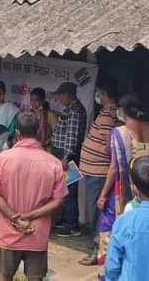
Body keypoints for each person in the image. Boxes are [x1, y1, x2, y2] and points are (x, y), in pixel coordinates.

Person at [0, 112, 68, 281]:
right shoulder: (54, 163)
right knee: (35, 277)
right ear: (38, 133)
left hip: (9, 230)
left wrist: (16, 219)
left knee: (5, 275)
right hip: (37, 232)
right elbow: (58, 201)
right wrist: (29, 217)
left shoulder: (2, 159)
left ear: (17, 133)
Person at [96, 92, 149, 280]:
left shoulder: (120, 132)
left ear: (121, 111)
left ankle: (110, 272)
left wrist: (103, 195)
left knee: (110, 230)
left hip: (125, 191)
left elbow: (114, 168)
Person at [78, 76, 119, 265]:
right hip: (95, 171)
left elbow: (108, 147)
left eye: (100, 94)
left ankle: (97, 249)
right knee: (96, 209)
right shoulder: (111, 114)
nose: (99, 97)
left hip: (97, 172)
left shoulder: (106, 115)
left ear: (105, 94)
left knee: (96, 211)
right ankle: (98, 247)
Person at [51, 81, 88, 237]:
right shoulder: (72, 108)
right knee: (64, 187)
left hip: (68, 155)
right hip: (65, 153)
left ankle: (72, 225)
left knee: (69, 189)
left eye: (60, 95)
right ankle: (66, 219)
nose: (58, 98)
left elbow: (71, 136)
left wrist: (66, 157)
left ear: (67, 95)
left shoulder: (74, 111)